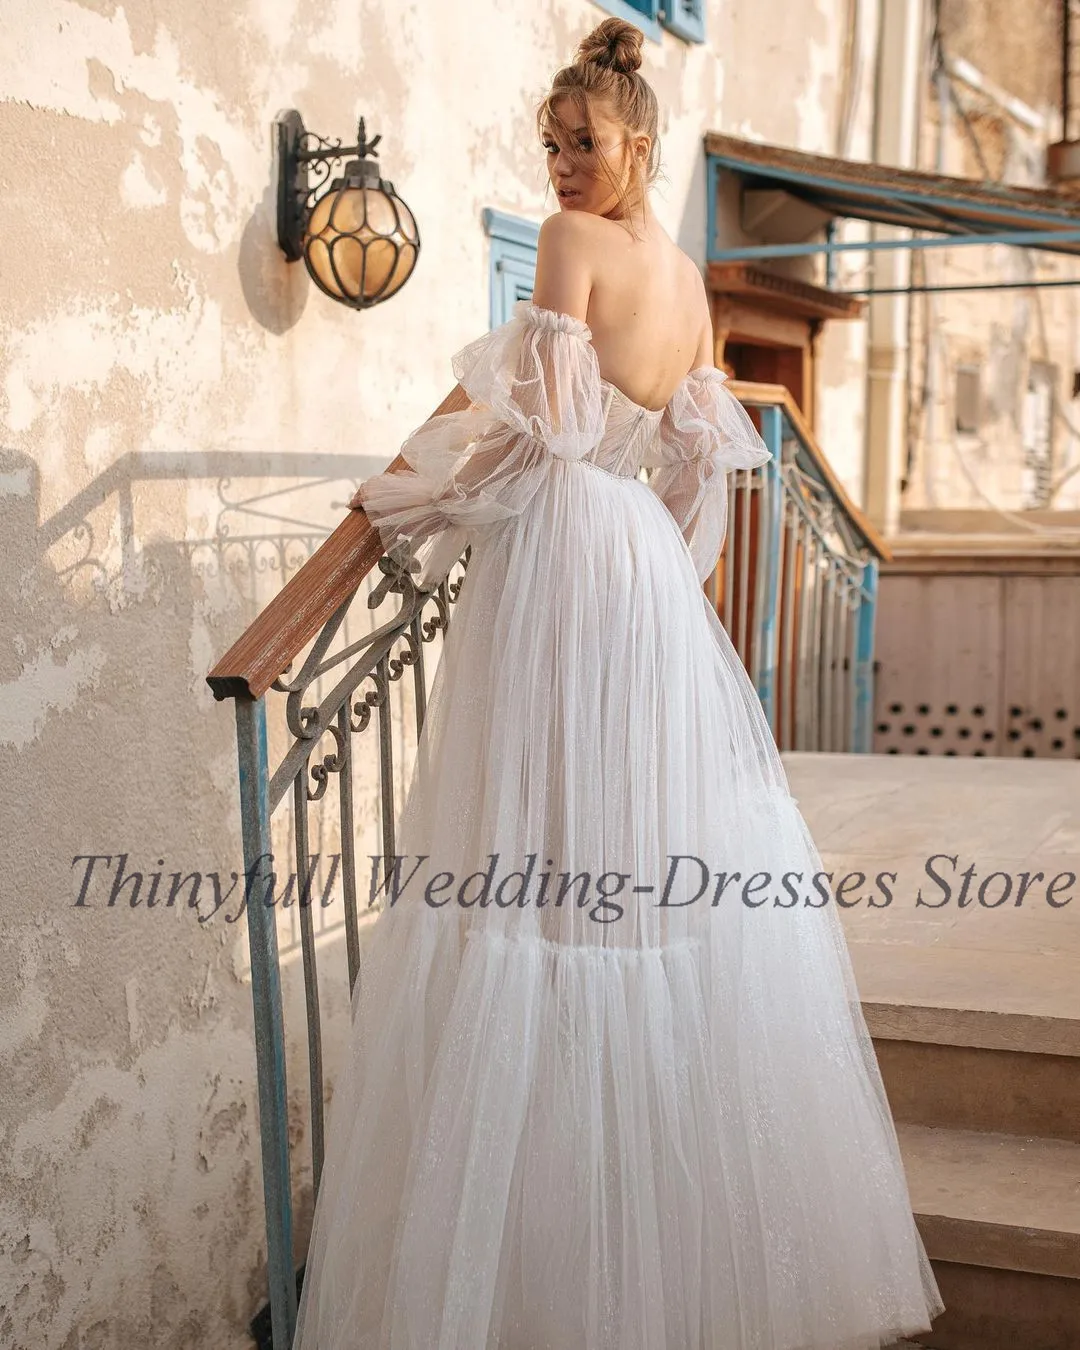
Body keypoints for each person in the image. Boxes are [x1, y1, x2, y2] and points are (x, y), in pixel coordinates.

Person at [292, 17, 945, 1350]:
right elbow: (699, 466)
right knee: (621, 851)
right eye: (551, 144)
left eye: (582, 142)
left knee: (537, 845)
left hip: (571, 554)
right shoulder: (689, 281)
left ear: (636, 142)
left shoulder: (570, 244)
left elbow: (531, 436)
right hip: (641, 566)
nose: (562, 165)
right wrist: (661, 572)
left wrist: (414, 497)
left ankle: (543, 1252)